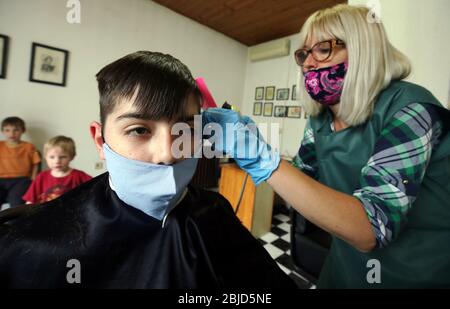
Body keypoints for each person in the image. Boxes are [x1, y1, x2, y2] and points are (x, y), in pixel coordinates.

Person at [0, 51, 296, 289]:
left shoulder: (215, 212)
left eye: (185, 130)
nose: (167, 154)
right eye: (139, 129)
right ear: (100, 139)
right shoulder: (32, 242)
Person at [202, 4, 450, 288]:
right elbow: (302, 184)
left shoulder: (411, 109)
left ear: (363, 48)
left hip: (413, 272)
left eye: (322, 49)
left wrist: (263, 159)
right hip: (346, 265)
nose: (308, 62)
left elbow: (373, 227)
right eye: (304, 54)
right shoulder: (320, 119)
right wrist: (257, 146)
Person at [22, 136, 92, 204]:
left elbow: (96, 188)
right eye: (52, 157)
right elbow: (30, 201)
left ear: (72, 156)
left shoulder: (79, 176)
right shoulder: (41, 177)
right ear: (45, 157)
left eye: (63, 157)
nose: (57, 161)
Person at [0, 117, 41, 207]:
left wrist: (33, 179)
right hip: (1, 179)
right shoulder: (0, 145)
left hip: (21, 180)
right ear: (2, 131)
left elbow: (36, 163)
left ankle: (15, 221)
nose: (12, 133)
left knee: (16, 203)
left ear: (23, 130)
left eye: (16, 130)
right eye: (7, 130)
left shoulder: (29, 146)